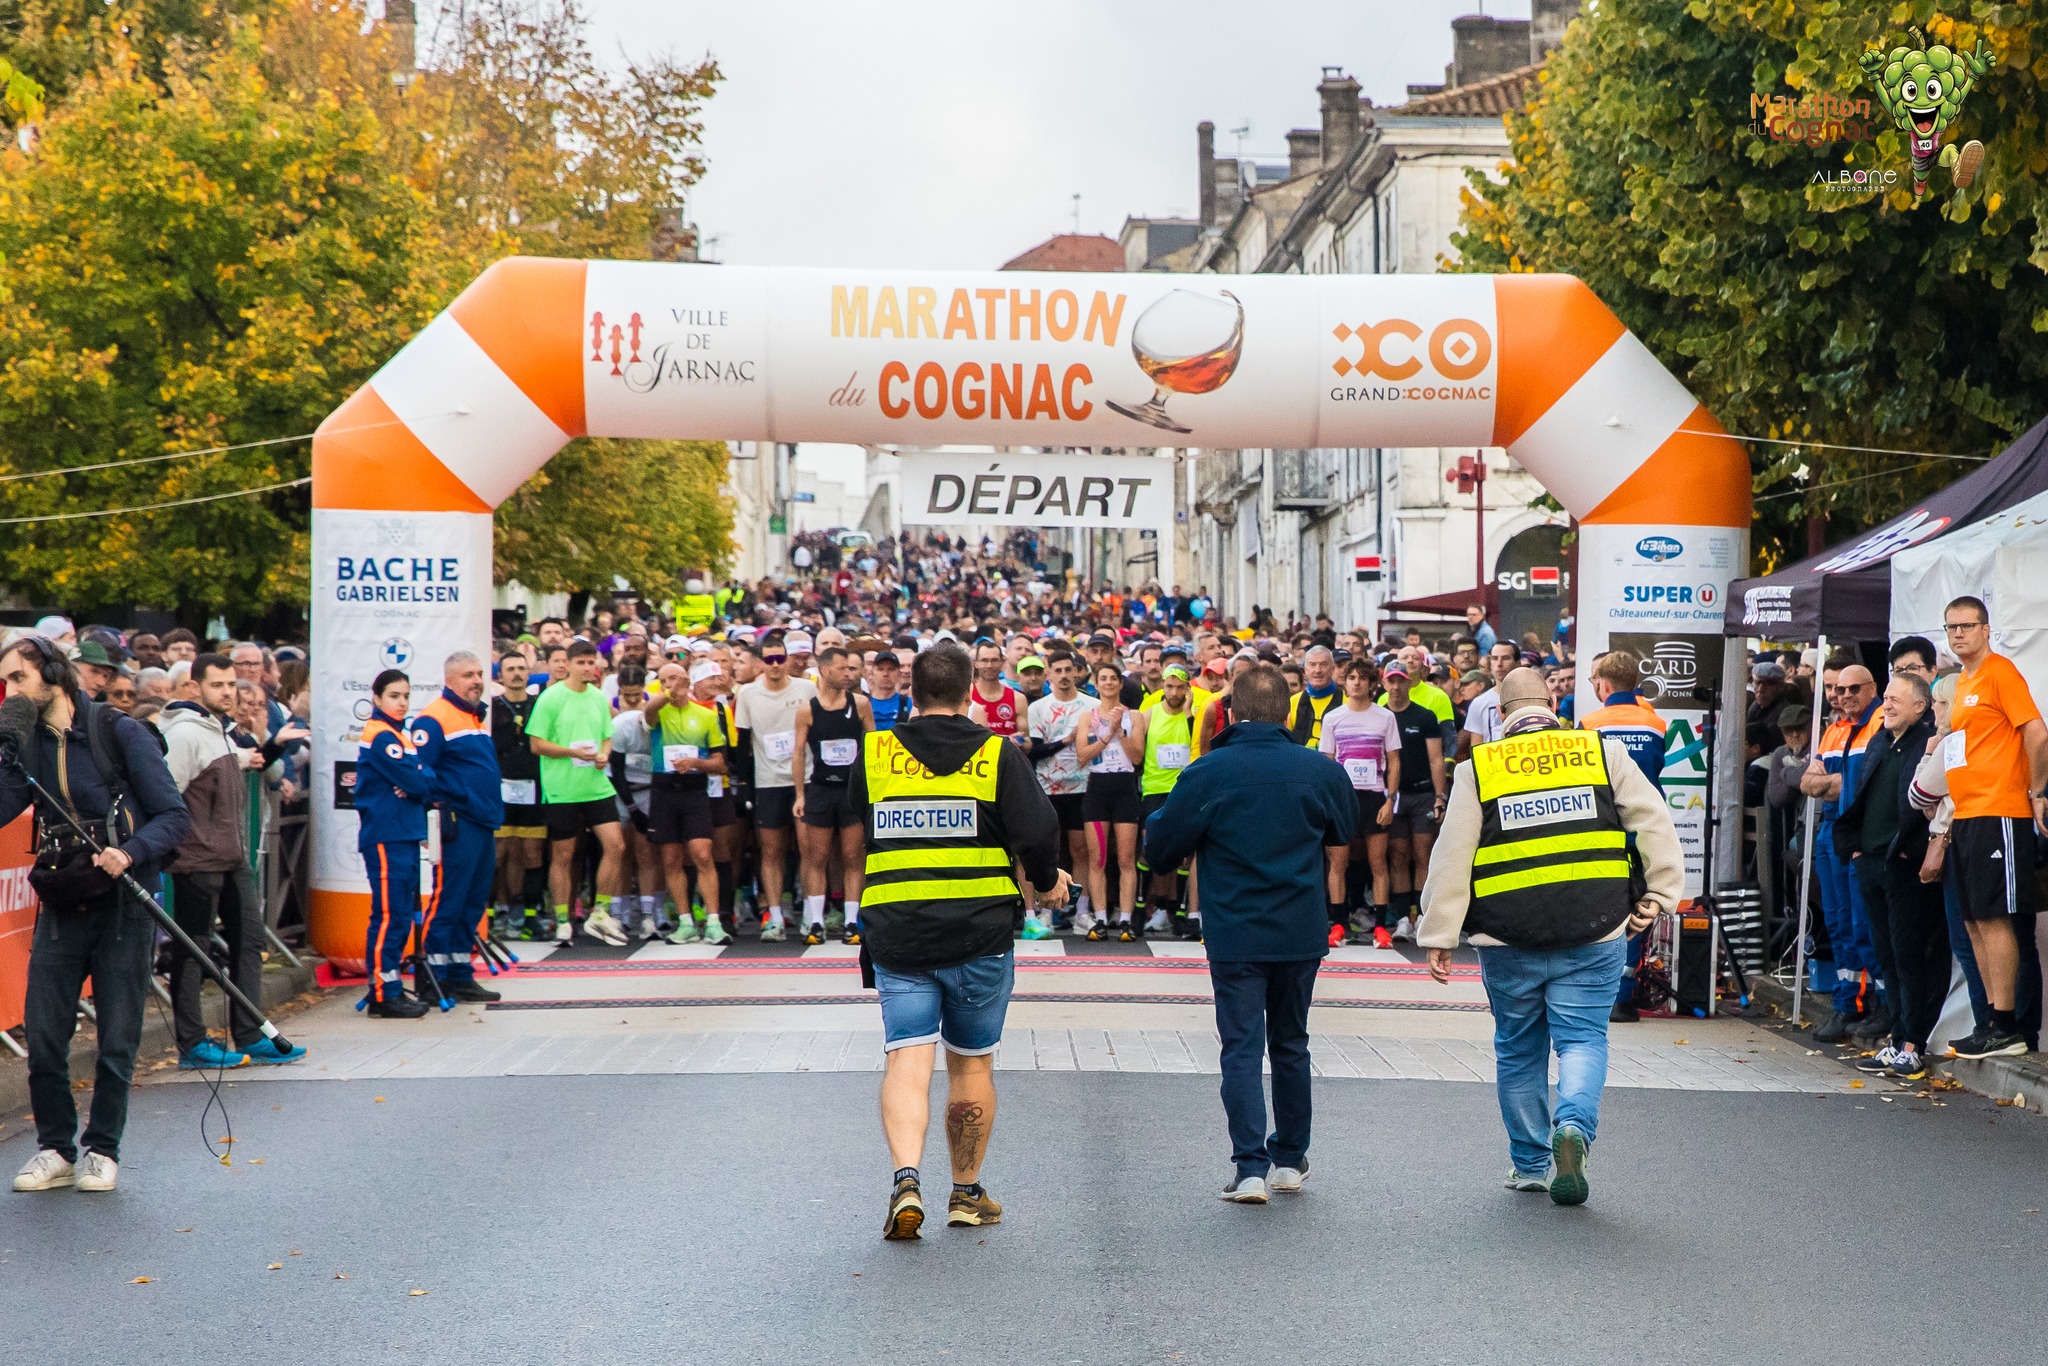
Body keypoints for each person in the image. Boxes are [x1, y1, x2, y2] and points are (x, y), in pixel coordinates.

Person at [1421, 667, 1683, 1205]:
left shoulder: (1481, 768)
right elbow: (1654, 821)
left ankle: (1531, 1164)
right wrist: (1658, 896)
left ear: (1501, 713)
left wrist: (1440, 932)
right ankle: (1574, 1127)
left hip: (1507, 935)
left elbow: (1453, 856)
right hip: (1595, 926)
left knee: (1519, 1051)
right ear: (1553, 703)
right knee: (1583, 1038)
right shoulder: (1599, 752)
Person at [850, 642, 1069, 1239]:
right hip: (979, 931)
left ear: (911, 693)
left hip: (897, 929)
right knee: (970, 1064)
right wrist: (1046, 883)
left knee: (907, 1055)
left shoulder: (875, 754)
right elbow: (1039, 827)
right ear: (972, 691)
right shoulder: (997, 754)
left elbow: (857, 829)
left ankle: (905, 1179)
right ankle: (966, 1193)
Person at [1142, 663, 1355, 1204]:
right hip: (1300, 926)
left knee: (1241, 1047)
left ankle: (1250, 1167)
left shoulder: (1208, 772)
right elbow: (1343, 829)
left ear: (1229, 711)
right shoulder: (1319, 769)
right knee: (1291, 1043)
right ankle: (1289, 1157)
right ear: (1287, 712)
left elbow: (1161, 850)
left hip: (1234, 927)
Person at [4, 636, 194, 1194]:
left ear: (53, 676)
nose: (10, 690)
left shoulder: (119, 732)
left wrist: (130, 851)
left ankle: (102, 1148)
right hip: (63, 900)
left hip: (123, 902)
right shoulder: (28, 743)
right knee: (43, 1034)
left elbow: (172, 816)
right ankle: (56, 1148)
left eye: (18, 679)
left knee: (116, 1037)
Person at [159, 653, 301, 1066]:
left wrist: (253, 754)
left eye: (230, 685)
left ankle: (250, 1031)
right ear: (195, 687)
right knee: (194, 951)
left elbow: (223, 766)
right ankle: (192, 1044)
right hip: (197, 858)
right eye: (216, 685)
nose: (226, 692)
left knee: (248, 940)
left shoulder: (218, 730)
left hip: (232, 855)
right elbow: (167, 790)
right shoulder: (186, 733)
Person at [1938, 595, 2048, 1059]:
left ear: (1986, 629)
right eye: (1951, 627)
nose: (1959, 633)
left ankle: (2007, 1024)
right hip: (1966, 814)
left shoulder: (2000, 671)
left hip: (2000, 810)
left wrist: (2037, 791)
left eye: (1967, 625)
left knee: (1996, 917)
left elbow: (2037, 732)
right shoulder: (1962, 681)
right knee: (1974, 920)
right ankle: (1990, 1020)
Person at [1834, 674, 1944, 1078]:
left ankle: (1913, 1043)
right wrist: (1858, 850)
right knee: (1887, 956)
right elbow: (1862, 795)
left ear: (1921, 707)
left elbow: (1925, 802)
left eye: (1897, 699)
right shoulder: (1880, 740)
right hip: (1871, 862)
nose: (1888, 705)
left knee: (1910, 955)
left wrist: (1905, 849)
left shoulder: (1926, 744)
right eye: (1887, 698)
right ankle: (1897, 1038)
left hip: (1904, 864)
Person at [1579, 650, 1668, 1023]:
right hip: (1644, 826)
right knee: (1640, 909)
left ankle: (1593, 991)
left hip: (1603, 827)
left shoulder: (1589, 723)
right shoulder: (1656, 724)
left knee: (1597, 907)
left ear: (1604, 684)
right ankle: (1625, 997)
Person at [1801, 659, 1886, 1043]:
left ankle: (1875, 1003)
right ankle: (1847, 1002)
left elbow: (1855, 785)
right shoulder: (1834, 728)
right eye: (1838, 689)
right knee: (1836, 921)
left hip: (1860, 832)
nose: (1844, 695)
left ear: (1872, 688)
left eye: (1853, 689)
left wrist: (1832, 782)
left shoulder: (1881, 721)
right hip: (1830, 831)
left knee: (1861, 922)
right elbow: (1808, 782)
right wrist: (1835, 782)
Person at [412, 651, 505, 1001]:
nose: (477, 680)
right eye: (469, 675)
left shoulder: (473, 716)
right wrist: (440, 807)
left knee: (472, 901)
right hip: (458, 822)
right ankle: (434, 978)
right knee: (448, 899)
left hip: (481, 821)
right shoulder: (434, 718)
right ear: (449, 680)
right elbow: (421, 771)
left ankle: (459, 973)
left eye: (480, 673)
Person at [526, 638, 629, 946]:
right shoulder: (551, 698)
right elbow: (536, 744)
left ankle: (600, 912)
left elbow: (607, 736)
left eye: (590, 662)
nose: (587, 668)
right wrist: (570, 752)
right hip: (562, 789)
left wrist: (604, 754)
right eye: (581, 663)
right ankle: (561, 919)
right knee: (563, 854)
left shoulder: (599, 698)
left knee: (616, 845)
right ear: (567, 665)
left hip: (596, 785)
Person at [355, 669, 437, 1018]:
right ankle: (381, 992)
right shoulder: (380, 736)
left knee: (402, 914)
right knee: (389, 915)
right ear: (376, 698)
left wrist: (418, 779)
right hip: (387, 834)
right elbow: (418, 783)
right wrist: (416, 780)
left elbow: (428, 778)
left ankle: (389, 984)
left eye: (405, 696)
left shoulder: (400, 735)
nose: (402, 702)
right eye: (394, 696)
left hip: (403, 833)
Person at [644, 660, 734, 945]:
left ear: (688, 681)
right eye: (664, 679)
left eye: (677, 678)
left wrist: (696, 763)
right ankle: (684, 921)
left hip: (695, 790)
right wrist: (666, 694)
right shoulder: (658, 711)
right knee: (671, 858)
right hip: (663, 789)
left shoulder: (705, 715)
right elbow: (647, 713)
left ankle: (714, 921)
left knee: (703, 853)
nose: (672, 684)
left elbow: (720, 763)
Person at [734, 635, 817, 941]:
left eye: (779, 659)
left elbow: (816, 731)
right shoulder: (747, 694)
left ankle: (811, 913)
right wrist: (744, 786)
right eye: (768, 660)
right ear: (760, 662)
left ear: (787, 659)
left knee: (809, 849)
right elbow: (742, 743)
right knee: (771, 851)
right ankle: (775, 916)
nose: (775, 666)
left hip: (803, 779)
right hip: (767, 782)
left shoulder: (807, 689)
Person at [792, 645, 874, 943]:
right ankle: (816, 922)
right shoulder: (807, 709)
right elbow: (799, 753)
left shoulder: (861, 704)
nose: (849, 674)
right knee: (818, 855)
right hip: (822, 788)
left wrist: (870, 788)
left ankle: (852, 923)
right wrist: (800, 794)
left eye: (852, 669)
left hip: (851, 790)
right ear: (826, 670)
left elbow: (871, 746)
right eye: (843, 668)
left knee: (854, 855)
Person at [1318, 657, 1401, 947]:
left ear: (1371, 683)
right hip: (1342, 798)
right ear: (1344, 681)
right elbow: (1327, 762)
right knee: (1337, 864)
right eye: (1351, 677)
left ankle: (1380, 928)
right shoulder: (1333, 718)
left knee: (1378, 862)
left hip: (1374, 798)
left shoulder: (1385, 717)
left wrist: (1390, 800)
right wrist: (1328, 801)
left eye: (1362, 678)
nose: (1356, 682)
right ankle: (1338, 924)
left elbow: (1393, 760)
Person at [1024, 649, 1096, 940]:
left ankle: (1081, 911)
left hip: (1083, 786)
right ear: (1049, 673)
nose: (1065, 676)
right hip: (1047, 787)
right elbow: (1035, 750)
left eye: (1070, 670)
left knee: (1081, 850)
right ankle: (1045, 910)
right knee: (1048, 852)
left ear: (1077, 672)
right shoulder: (1038, 708)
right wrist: (1066, 740)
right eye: (1059, 670)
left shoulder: (1092, 705)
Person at [1128, 662, 1198, 939]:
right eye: (1169, 686)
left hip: (1183, 791)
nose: (1174, 691)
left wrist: (1190, 711)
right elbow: (1137, 754)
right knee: (1149, 851)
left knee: (1184, 855)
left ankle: (1179, 912)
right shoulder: (1149, 715)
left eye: (1180, 686)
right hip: (1154, 790)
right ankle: (1139, 908)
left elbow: (1197, 744)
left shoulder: (1192, 715)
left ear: (1187, 688)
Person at [1381, 659, 1448, 943]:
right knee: (1397, 855)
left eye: (1401, 681)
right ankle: (1400, 918)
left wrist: (1439, 795)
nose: (1396, 687)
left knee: (1422, 854)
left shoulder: (1424, 716)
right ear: (1384, 683)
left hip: (1421, 794)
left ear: (1410, 682)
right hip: (1392, 795)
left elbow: (1436, 758)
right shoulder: (1379, 715)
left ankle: (1420, 915)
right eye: (1391, 681)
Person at [1076, 660, 1142, 939]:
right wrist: (1106, 734)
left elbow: (1137, 757)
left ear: (1120, 683)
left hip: (1125, 787)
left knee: (1127, 858)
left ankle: (1126, 919)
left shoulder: (1135, 716)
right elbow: (1081, 756)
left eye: (1113, 678)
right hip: (1098, 788)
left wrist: (1120, 730)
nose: (1108, 683)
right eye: (1103, 678)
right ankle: (1100, 918)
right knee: (1098, 858)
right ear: (1096, 683)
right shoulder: (1087, 716)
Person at [490, 648, 548, 939]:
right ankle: (487, 916)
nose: (516, 674)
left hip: (533, 788)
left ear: (529, 672)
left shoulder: (540, 705)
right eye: (510, 669)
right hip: (499, 788)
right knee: (497, 854)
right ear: (500, 675)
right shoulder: (490, 708)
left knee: (532, 853)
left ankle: (528, 915)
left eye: (521, 669)